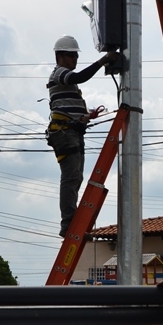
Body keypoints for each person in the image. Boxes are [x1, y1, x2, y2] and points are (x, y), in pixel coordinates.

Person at [46, 35, 118, 238]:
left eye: (76, 56)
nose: (74, 60)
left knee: (76, 177)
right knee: (70, 177)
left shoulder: (68, 82)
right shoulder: (59, 73)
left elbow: (68, 107)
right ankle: (68, 224)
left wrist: (86, 117)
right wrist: (103, 60)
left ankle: (72, 220)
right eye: (71, 56)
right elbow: (80, 76)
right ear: (60, 56)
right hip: (64, 133)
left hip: (72, 131)